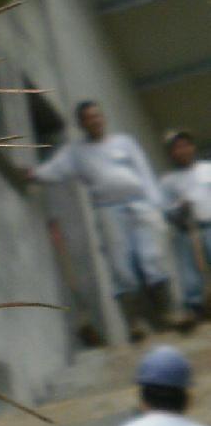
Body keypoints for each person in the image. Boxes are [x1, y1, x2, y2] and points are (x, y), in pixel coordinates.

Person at [27, 100, 186, 339]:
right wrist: (32, 174)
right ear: (82, 123)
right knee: (121, 267)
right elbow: (54, 170)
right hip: (108, 209)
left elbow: (144, 173)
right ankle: (135, 324)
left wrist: (157, 206)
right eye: (89, 118)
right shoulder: (76, 152)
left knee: (152, 258)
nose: (95, 120)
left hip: (140, 205)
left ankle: (169, 313)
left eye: (98, 116)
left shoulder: (125, 142)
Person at [161, 129, 211, 319]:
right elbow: (166, 211)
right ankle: (198, 309)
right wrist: (179, 207)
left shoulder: (208, 169)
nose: (181, 151)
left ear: (192, 147)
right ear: (172, 153)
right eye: (176, 148)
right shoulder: (168, 181)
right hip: (187, 232)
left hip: (210, 225)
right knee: (191, 276)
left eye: (184, 145)